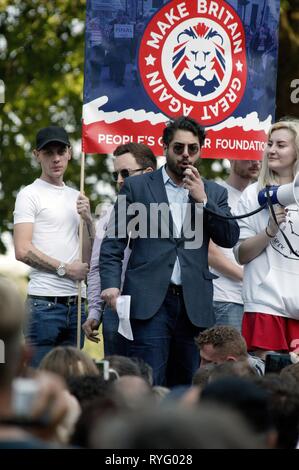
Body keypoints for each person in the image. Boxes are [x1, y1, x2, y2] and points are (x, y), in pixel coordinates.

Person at [99, 116, 239, 386]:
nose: (186, 154)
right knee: (149, 382)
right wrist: (111, 287)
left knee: (188, 383)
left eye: (193, 149)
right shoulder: (137, 186)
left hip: (192, 305)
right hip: (148, 301)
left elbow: (228, 238)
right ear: (164, 146)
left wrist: (204, 201)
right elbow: (113, 243)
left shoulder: (213, 192)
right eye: (178, 148)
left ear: (200, 150)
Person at [13, 126, 94, 367]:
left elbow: (86, 258)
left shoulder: (77, 196)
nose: (56, 158)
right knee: (39, 383)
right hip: (43, 305)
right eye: (49, 152)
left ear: (70, 153)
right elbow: (22, 249)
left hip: (76, 304)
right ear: (37, 155)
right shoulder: (29, 195)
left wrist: (89, 220)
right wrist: (65, 269)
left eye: (61, 151)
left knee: (72, 383)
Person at [83, 143, 157, 354]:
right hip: (116, 309)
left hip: (158, 310)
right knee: (116, 379)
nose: (119, 180)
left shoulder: (170, 212)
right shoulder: (108, 214)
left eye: (125, 173)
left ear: (148, 173)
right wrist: (95, 311)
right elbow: (97, 266)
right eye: (116, 174)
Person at [234, 120, 299, 359]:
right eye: (269, 144)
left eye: (281, 145)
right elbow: (241, 254)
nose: (271, 150)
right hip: (266, 302)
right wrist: (269, 230)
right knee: (269, 381)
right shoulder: (253, 194)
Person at [209, 159, 261, 331]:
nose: (256, 163)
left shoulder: (259, 197)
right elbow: (209, 252)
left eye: (260, 158)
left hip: (258, 301)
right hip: (225, 297)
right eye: (248, 158)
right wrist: (247, 278)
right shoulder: (214, 194)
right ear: (231, 158)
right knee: (229, 357)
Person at [195, 325, 265, 375]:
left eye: (208, 362)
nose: (201, 367)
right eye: (201, 359)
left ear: (230, 362)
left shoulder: (262, 383)